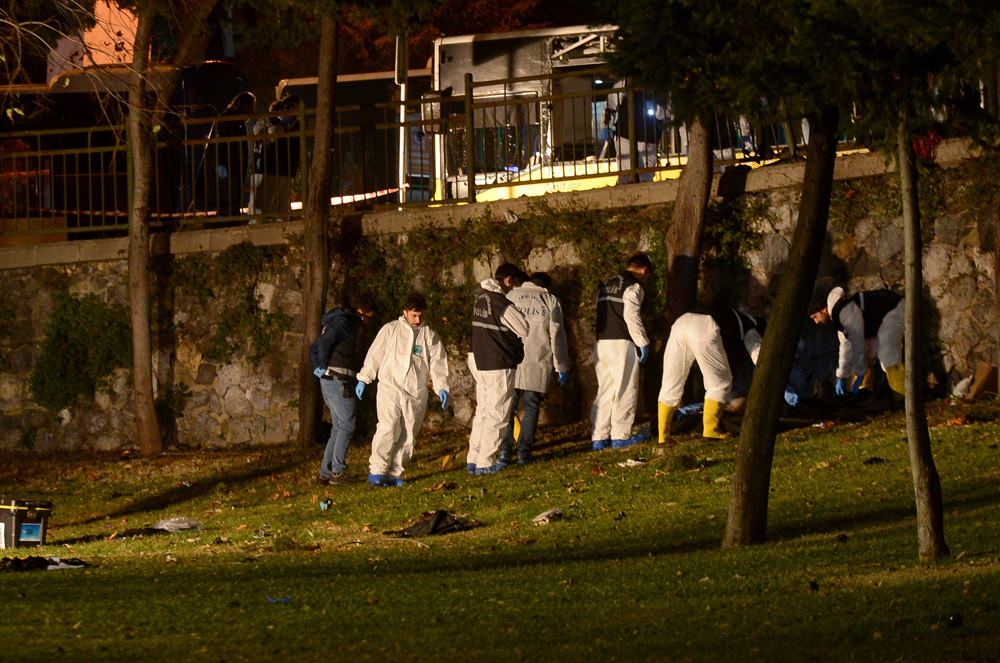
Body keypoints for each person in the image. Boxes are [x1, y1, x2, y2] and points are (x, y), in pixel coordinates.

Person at [355, 293, 450, 487]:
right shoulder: (390, 330)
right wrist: (364, 378)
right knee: (388, 427)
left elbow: (438, 364)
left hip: (415, 392)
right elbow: (375, 355)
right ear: (405, 312)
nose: (418, 319)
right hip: (390, 387)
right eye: (414, 315)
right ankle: (377, 471)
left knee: (408, 434)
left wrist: (442, 387)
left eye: (421, 315)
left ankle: (395, 472)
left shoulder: (429, 336)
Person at [656, 303, 762, 443]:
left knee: (671, 381)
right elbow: (759, 354)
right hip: (705, 326)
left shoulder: (729, 313)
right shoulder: (750, 326)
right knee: (720, 383)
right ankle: (711, 430)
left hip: (681, 322)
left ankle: (663, 436)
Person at [498, 272, 571, 465]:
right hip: (537, 360)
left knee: (508, 408)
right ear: (546, 286)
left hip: (511, 359)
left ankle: (504, 451)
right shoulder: (550, 300)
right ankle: (523, 452)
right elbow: (557, 336)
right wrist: (561, 365)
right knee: (531, 407)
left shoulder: (511, 296)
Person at [467, 264, 531, 475]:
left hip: (481, 362)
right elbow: (524, 327)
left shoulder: (480, 299)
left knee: (483, 411)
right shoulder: (499, 302)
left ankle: (474, 458)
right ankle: (486, 461)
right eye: (514, 286)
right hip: (499, 364)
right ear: (508, 280)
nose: (514, 291)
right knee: (498, 413)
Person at [308, 297, 376, 484]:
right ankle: (337, 472)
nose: (368, 323)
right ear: (362, 313)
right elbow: (322, 345)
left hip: (330, 378)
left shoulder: (337, 321)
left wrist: (319, 366)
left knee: (338, 427)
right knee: (347, 425)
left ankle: (325, 474)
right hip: (338, 378)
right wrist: (320, 364)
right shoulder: (346, 322)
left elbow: (315, 346)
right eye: (368, 319)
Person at [591, 253, 653, 450]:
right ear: (644, 271)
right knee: (625, 388)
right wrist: (642, 342)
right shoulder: (633, 287)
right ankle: (621, 435)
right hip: (622, 344)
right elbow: (631, 316)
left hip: (601, 344)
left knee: (605, 390)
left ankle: (599, 436)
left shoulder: (605, 284)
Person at [808, 286, 904, 396]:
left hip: (894, 311)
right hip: (885, 318)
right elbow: (845, 345)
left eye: (815, 316)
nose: (816, 322)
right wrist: (842, 376)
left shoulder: (841, 311)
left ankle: (905, 395)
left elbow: (853, 343)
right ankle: (866, 391)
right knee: (873, 355)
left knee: (888, 357)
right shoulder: (838, 314)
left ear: (824, 309)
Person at [605, 80, 667, 184]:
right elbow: (610, 107)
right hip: (627, 135)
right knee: (626, 174)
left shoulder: (657, 85)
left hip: (648, 137)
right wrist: (606, 126)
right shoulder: (623, 83)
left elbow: (666, 112)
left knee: (645, 174)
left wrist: (655, 108)